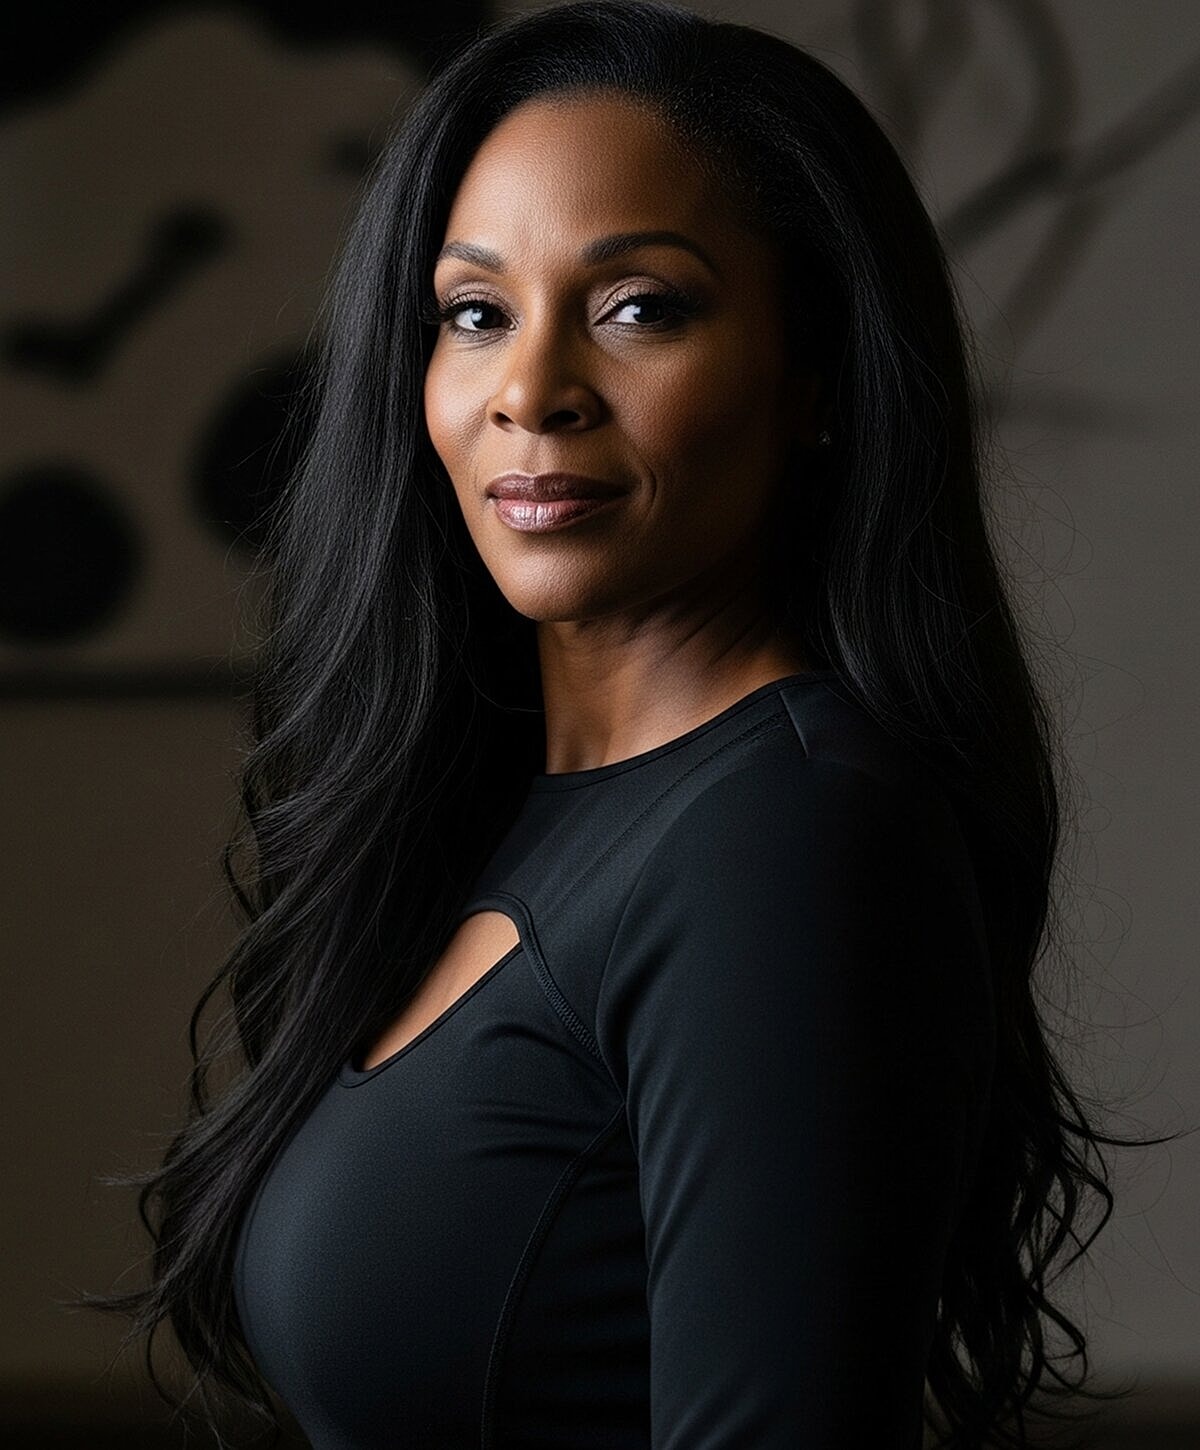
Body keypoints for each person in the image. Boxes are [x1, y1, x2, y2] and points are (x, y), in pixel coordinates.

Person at [80, 2, 1167, 1446]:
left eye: (639, 307)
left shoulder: (786, 832)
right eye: (475, 314)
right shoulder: (497, 813)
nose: (531, 393)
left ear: (818, 379)